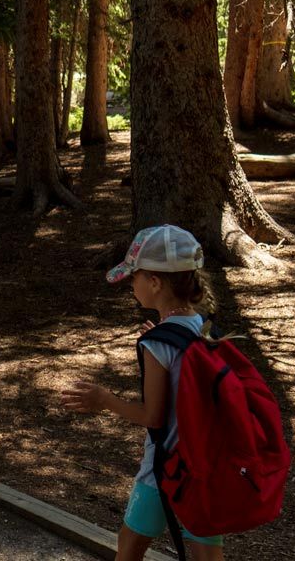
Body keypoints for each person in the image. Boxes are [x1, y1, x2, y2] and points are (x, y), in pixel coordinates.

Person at [62, 225, 224, 561]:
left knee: (129, 549)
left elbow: (153, 416)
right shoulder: (205, 328)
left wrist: (103, 399)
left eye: (134, 278)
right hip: (206, 465)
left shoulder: (157, 344)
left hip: (164, 469)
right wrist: (163, 335)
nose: (131, 286)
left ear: (155, 282)